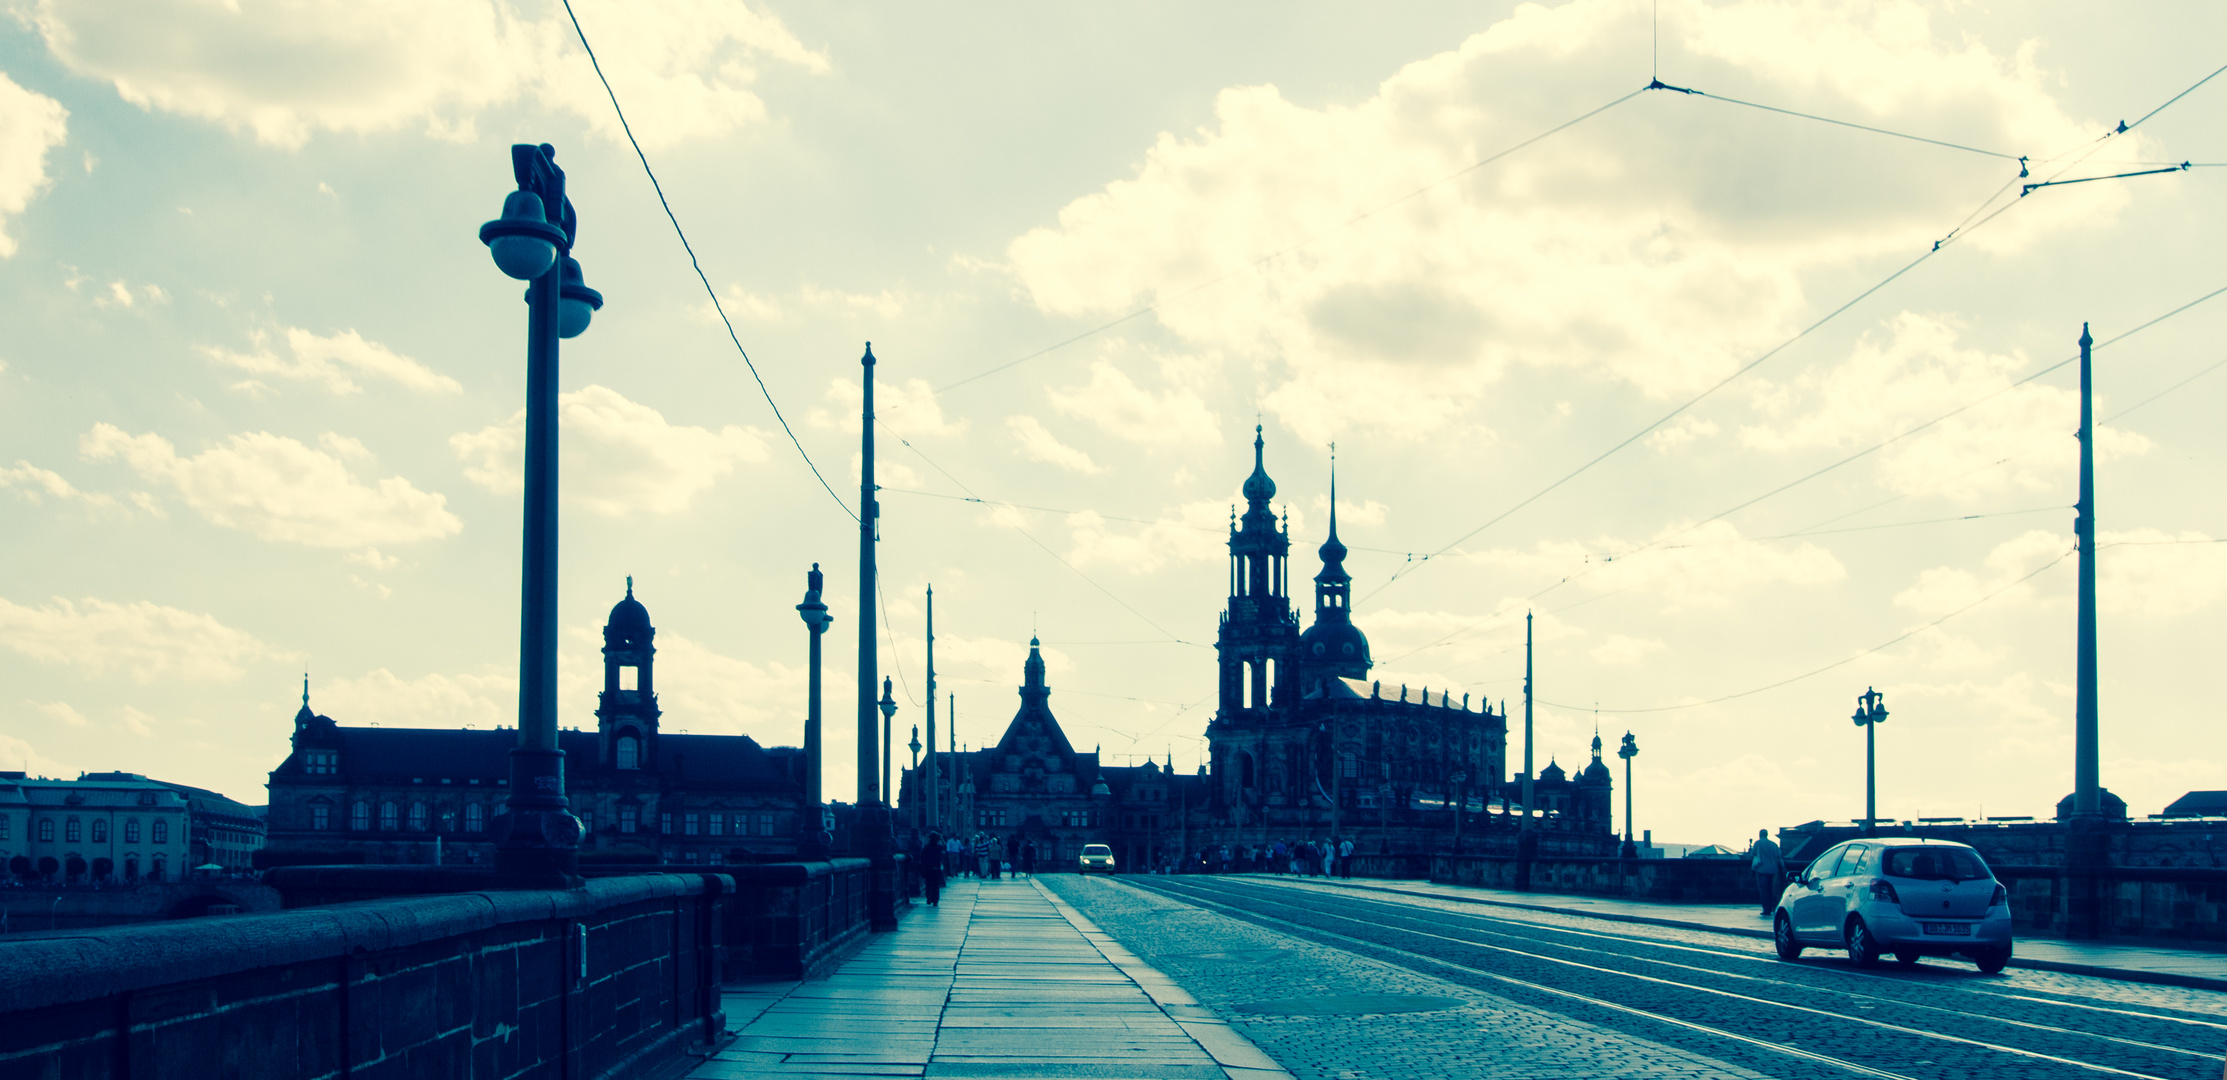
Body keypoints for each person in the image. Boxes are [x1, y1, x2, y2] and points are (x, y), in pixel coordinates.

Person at [1749, 828, 1784, 917]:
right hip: (1773, 870)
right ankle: (1774, 908)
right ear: (1767, 834)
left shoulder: (1758, 843)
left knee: (1764, 891)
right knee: (1773, 890)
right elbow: (1779, 857)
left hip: (1762, 870)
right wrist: (1784, 869)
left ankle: (1766, 909)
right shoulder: (1774, 844)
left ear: (1760, 834)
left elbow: (1753, 854)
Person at [918, 831, 947, 906]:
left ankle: (929, 897)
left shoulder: (926, 847)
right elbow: (946, 848)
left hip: (928, 868)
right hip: (936, 868)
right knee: (936, 884)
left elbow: (922, 857)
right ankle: (935, 900)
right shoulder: (939, 847)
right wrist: (942, 839)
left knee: (929, 883)